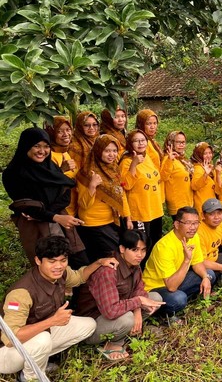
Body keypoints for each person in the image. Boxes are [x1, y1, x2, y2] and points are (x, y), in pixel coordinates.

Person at [0, 236, 117, 381]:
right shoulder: (21, 293)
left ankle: (39, 360)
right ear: (38, 260)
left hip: (38, 333)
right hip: (6, 353)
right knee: (42, 339)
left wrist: (100, 262)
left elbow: (79, 277)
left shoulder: (61, 274)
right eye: (51, 261)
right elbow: (11, 338)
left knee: (88, 325)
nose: (58, 266)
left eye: (63, 260)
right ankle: (30, 377)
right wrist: (52, 321)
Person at [3, 128, 87, 268]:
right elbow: (25, 206)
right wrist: (53, 216)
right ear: (26, 146)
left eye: (46, 146)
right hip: (36, 228)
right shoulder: (13, 174)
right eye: (36, 146)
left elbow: (65, 192)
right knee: (51, 266)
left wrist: (48, 214)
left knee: (78, 261)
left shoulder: (50, 167)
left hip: (61, 219)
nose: (42, 151)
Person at [76, 230, 164, 360]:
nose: (140, 255)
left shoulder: (134, 263)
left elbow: (139, 288)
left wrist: (138, 311)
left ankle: (127, 331)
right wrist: (138, 302)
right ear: (122, 249)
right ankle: (113, 343)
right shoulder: (108, 270)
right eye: (135, 250)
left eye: (143, 250)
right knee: (128, 318)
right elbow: (111, 311)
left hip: (119, 310)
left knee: (155, 298)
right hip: (94, 322)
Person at [142, 207, 215, 318]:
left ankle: (189, 295)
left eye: (196, 223)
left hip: (178, 280)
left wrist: (205, 277)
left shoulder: (194, 237)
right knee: (178, 299)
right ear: (176, 224)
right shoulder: (164, 246)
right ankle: (159, 311)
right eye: (189, 223)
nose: (193, 228)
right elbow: (171, 286)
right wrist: (186, 260)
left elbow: (197, 263)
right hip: (158, 288)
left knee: (210, 274)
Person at [76, 134, 131, 261]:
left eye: (114, 150)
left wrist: (127, 217)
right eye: (107, 151)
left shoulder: (114, 169)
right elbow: (83, 204)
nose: (111, 154)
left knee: (113, 258)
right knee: (107, 260)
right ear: (98, 150)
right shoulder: (86, 173)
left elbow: (120, 194)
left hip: (112, 221)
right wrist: (92, 186)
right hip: (94, 225)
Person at [119, 130, 164, 249]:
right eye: (136, 141)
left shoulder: (147, 157)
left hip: (155, 210)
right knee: (141, 247)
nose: (140, 143)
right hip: (139, 213)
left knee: (155, 244)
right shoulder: (126, 161)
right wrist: (134, 164)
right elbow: (125, 185)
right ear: (130, 143)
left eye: (143, 140)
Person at [161, 131, 194, 218]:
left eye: (183, 142)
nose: (181, 145)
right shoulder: (168, 158)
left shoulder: (182, 159)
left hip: (187, 200)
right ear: (171, 143)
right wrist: (169, 160)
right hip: (177, 203)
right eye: (178, 142)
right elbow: (163, 177)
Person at [190, 142, 216, 219]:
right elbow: (194, 186)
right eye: (205, 153)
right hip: (203, 207)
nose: (208, 156)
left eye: (210, 153)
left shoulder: (207, 167)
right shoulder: (198, 168)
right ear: (199, 155)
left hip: (210, 206)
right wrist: (205, 174)